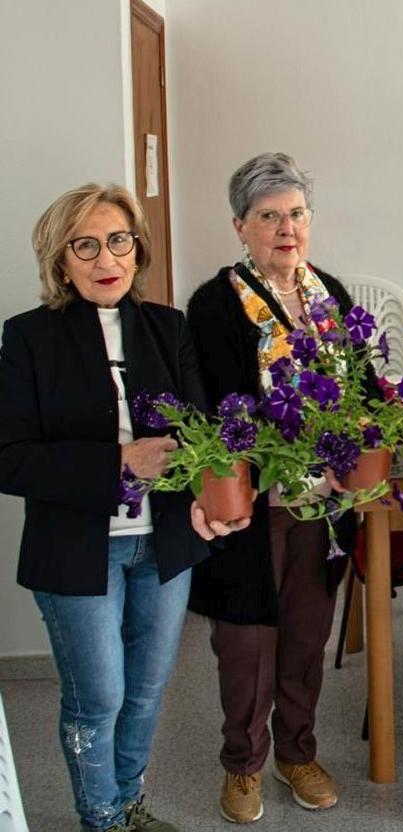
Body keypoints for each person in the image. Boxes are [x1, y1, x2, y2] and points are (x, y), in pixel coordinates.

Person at [0, 183, 243, 832]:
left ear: (137, 251)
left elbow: (199, 428)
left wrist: (210, 501)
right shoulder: (27, 338)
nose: (105, 257)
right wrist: (118, 464)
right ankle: (100, 819)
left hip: (162, 543)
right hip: (78, 551)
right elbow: (10, 457)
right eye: (85, 244)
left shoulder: (167, 327)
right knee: (98, 696)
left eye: (118, 240)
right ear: (60, 260)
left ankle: (128, 803)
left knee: (144, 692)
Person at [185, 153, 359, 824]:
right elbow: (205, 404)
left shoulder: (331, 295)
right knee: (246, 642)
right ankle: (242, 765)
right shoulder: (214, 303)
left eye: (296, 214)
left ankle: (298, 753)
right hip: (250, 504)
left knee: (305, 635)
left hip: (322, 500)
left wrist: (357, 441)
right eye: (268, 217)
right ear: (240, 226)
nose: (286, 229)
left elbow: (361, 388)